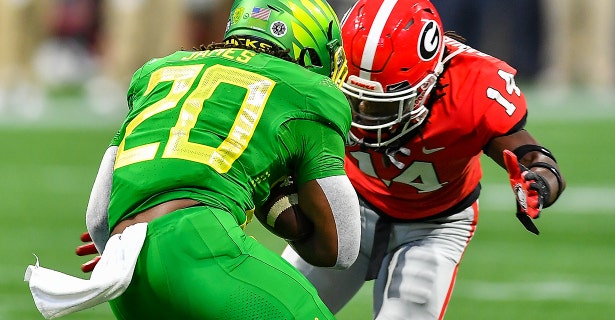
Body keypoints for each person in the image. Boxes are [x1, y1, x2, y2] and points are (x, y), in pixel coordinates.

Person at [24, 0, 362, 318]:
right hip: (199, 248)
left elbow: (98, 218)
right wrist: (273, 199)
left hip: (123, 271)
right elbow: (342, 248)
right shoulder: (310, 92)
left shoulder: (157, 72)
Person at [282, 0, 567, 319]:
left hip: (434, 225)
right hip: (348, 201)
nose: (362, 115)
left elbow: (534, 156)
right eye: (352, 97)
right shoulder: (323, 63)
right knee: (276, 311)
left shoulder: (472, 87)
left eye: (380, 106)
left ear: (427, 83)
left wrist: (540, 181)